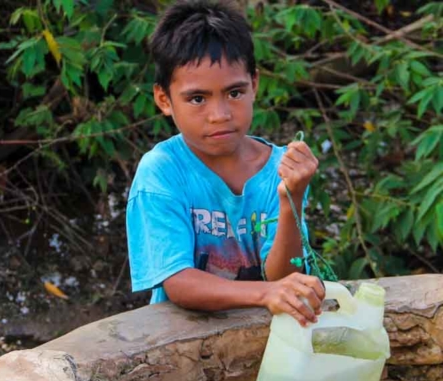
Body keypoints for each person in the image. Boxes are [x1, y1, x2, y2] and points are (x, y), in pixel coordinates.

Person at [126, 0, 325, 327]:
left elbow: (284, 276)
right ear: (164, 99)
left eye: (234, 93)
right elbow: (179, 283)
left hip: (264, 335)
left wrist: (291, 199)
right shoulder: (162, 171)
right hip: (180, 339)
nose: (220, 115)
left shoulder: (278, 168)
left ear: (255, 85)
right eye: (197, 99)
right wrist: (265, 294)